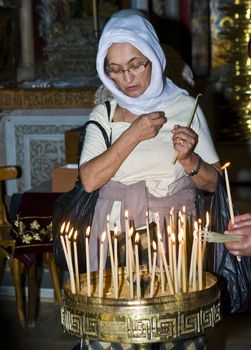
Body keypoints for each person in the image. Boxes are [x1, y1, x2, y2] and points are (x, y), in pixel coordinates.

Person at [79, 9, 220, 350]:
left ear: (154, 58)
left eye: (136, 64)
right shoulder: (104, 115)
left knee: (173, 329)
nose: (126, 77)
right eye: (114, 70)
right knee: (117, 330)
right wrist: (134, 133)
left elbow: (215, 183)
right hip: (114, 236)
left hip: (173, 237)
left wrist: (189, 159)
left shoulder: (186, 107)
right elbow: (89, 180)